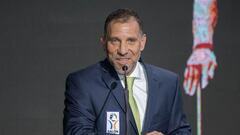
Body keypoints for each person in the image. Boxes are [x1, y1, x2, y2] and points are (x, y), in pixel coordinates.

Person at [63, 8, 191, 135]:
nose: (123, 50)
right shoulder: (83, 83)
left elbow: (181, 131)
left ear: (142, 42)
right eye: (115, 41)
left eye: (131, 41)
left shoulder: (168, 82)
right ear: (104, 43)